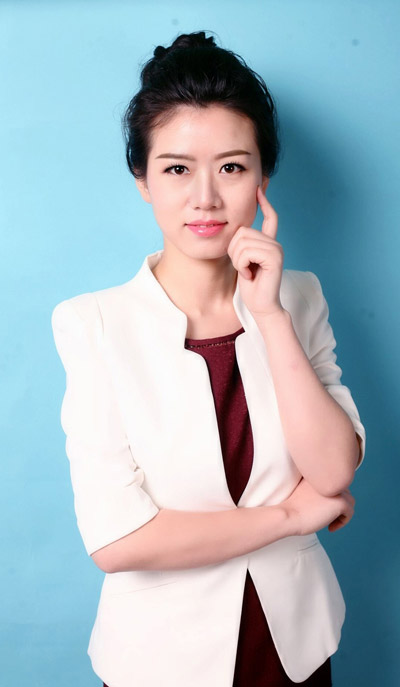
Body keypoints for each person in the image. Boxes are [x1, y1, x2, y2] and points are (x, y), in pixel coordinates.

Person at [51, 30, 366, 687]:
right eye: (176, 168)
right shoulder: (93, 324)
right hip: (159, 659)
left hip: (295, 645)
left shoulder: (300, 296)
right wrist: (290, 515)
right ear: (142, 179)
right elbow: (118, 539)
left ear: (262, 179)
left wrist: (271, 315)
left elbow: (333, 468)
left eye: (231, 167)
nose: (205, 197)